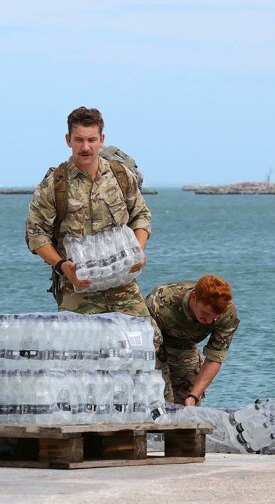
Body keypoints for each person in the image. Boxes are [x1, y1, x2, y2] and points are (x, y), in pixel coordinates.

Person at [25, 107, 162, 354]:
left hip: (122, 283)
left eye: (91, 139)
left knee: (148, 344)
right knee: (75, 353)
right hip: (79, 285)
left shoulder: (121, 176)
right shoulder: (54, 185)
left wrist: (138, 248)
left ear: (101, 140)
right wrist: (61, 266)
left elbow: (141, 215)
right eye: (79, 140)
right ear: (68, 141)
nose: (85, 147)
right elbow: (36, 235)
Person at [146, 275, 239, 405]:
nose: (210, 321)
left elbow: (215, 357)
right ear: (194, 297)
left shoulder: (227, 313)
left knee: (188, 407)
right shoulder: (161, 300)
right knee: (161, 402)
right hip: (154, 349)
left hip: (186, 348)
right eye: (205, 314)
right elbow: (145, 348)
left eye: (214, 317)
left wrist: (194, 396)